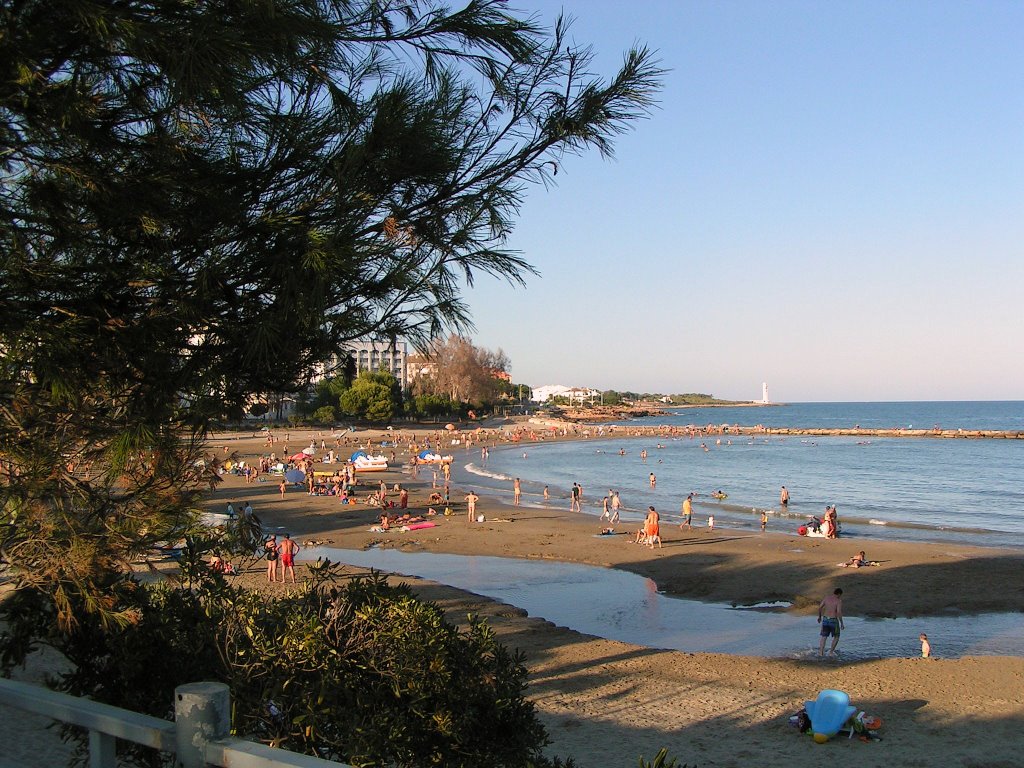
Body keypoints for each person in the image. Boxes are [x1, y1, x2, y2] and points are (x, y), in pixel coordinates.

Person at [817, 588, 845, 657]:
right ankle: (831, 652)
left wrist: (820, 617)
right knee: (836, 636)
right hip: (833, 620)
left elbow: (820, 607)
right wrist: (841, 623)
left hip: (825, 619)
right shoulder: (838, 601)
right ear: (839, 594)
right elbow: (838, 612)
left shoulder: (826, 598)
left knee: (824, 637)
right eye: (840, 595)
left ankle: (820, 653)